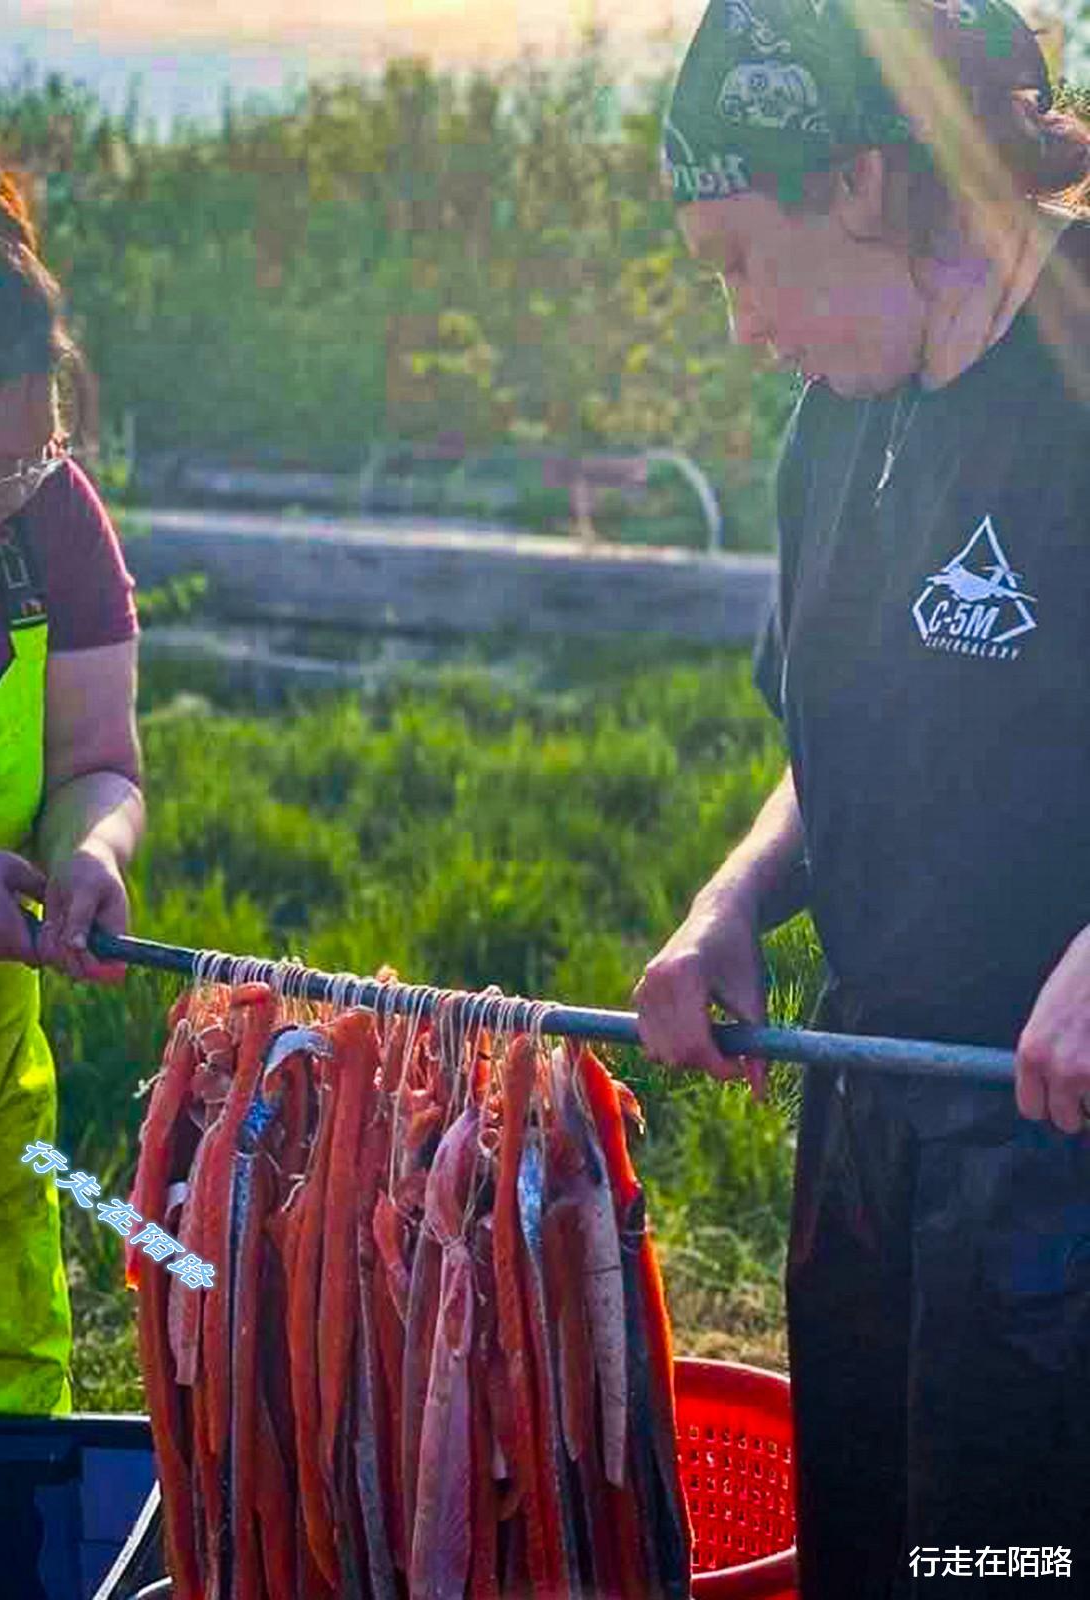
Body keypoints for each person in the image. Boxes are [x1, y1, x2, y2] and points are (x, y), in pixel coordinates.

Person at [635, 2, 1090, 1595]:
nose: (742, 324)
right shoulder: (833, 426)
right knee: (878, 1557)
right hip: (874, 1108)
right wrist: (731, 903)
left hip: (1067, 1154)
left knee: (1011, 1567)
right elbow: (840, 743)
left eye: (736, 263)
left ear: (858, 185)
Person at [0, 102, 144, 1595]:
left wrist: (92, 851)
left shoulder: (45, 520)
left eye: (28, 465)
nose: (7, 499)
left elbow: (95, 763)